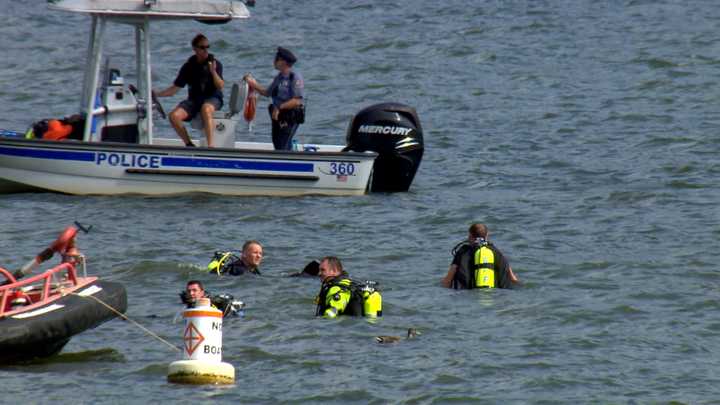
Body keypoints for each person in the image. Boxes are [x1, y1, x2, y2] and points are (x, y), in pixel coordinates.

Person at [155, 34, 224, 147]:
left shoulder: (216, 64)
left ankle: (211, 146)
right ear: (195, 49)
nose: (205, 50)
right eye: (202, 47)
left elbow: (220, 86)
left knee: (206, 109)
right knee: (174, 116)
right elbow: (174, 89)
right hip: (194, 100)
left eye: (207, 47)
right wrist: (157, 94)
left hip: (213, 98)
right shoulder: (188, 66)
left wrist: (213, 72)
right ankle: (189, 144)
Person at [244, 47, 305, 150]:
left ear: (283, 62)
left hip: (290, 116)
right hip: (277, 116)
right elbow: (267, 93)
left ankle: (287, 164)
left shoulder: (294, 77)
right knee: (277, 143)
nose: (274, 61)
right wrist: (252, 83)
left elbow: (297, 101)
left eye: (277, 58)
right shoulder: (279, 77)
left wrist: (280, 107)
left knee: (283, 144)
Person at [441, 223, 519, 289]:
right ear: (487, 235)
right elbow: (513, 279)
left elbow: (448, 280)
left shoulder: (463, 251)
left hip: (466, 294)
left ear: (470, 235)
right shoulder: (496, 251)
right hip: (494, 294)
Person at [315, 256, 382, 318]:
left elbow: (334, 310)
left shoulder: (337, 288)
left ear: (334, 271)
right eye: (319, 270)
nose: (319, 273)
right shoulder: (349, 283)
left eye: (323, 270)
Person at [179, 280, 244, 317]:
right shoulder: (188, 303)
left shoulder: (211, 301)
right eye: (189, 291)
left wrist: (220, 318)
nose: (191, 293)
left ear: (202, 292)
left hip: (234, 315)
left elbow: (227, 302)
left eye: (194, 290)